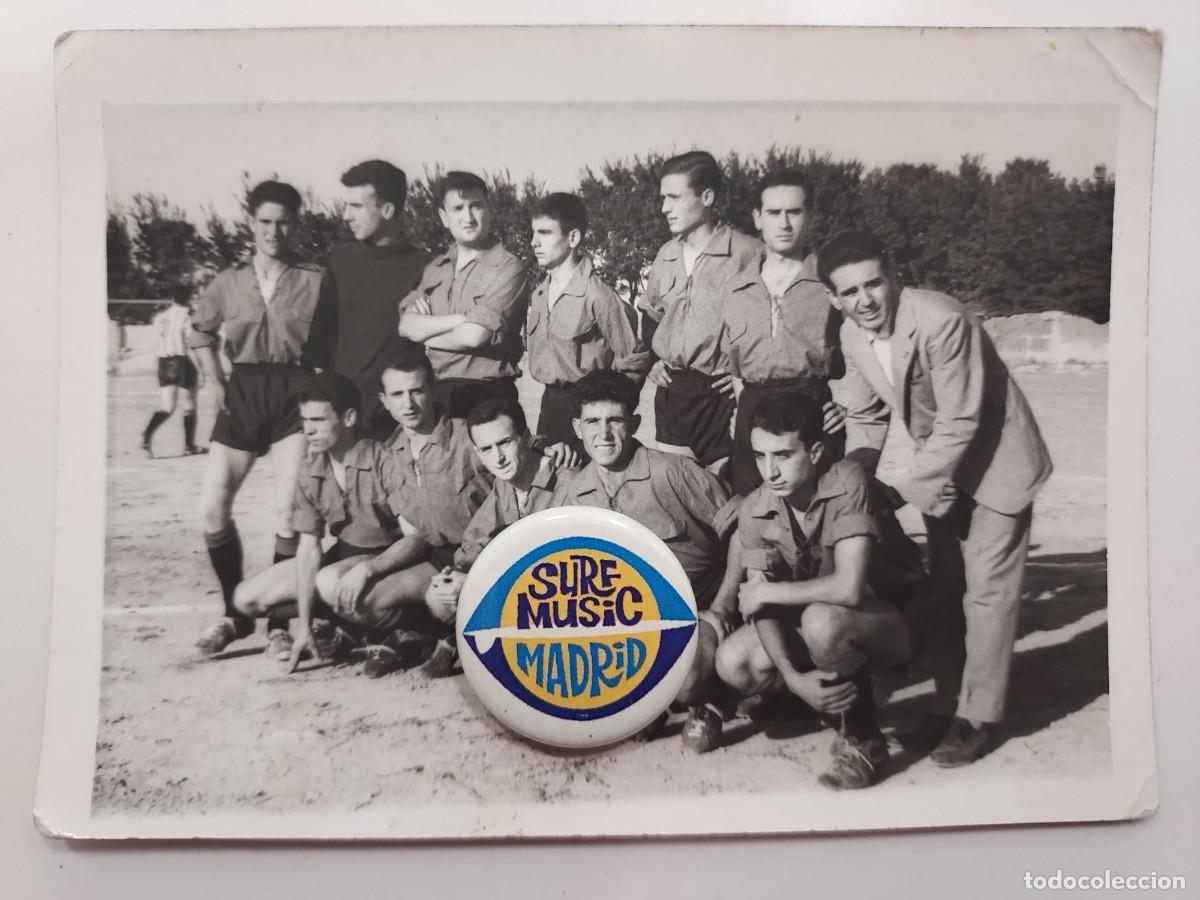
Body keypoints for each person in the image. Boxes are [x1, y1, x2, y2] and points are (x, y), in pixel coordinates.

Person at [819, 230, 1053, 767]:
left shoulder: (941, 318)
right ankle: (951, 705)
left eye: (874, 284)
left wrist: (898, 493)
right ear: (836, 300)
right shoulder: (854, 337)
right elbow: (867, 417)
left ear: (893, 276)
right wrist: (858, 480)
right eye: (850, 293)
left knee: (987, 595)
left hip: (998, 466)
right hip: (943, 470)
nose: (866, 301)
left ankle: (978, 718)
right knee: (946, 588)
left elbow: (960, 420)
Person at [711, 395, 928, 787]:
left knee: (821, 621)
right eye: (760, 456)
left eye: (783, 455)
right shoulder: (756, 507)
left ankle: (866, 739)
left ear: (815, 451)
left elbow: (849, 588)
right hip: (823, 615)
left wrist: (768, 594)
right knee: (733, 662)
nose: (770, 471)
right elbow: (760, 607)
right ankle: (814, 697)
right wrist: (793, 675)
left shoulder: (848, 480)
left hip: (895, 620)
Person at [189, 180, 337, 656]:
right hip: (243, 393)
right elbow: (200, 334)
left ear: (296, 224)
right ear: (251, 224)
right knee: (212, 509)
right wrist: (214, 383)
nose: (274, 231)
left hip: (295, 394)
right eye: (265, 221)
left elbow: (332, 341)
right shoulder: (226, 281)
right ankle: (235, 616)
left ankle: (277, 620)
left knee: (287, 514)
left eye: (284, 222)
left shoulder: (315, 278)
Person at [551, 369, 732, 751]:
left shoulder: (672, 471)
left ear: (634, 423)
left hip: (696, 607)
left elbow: (741, 533)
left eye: (615, 420)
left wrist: (722, 606)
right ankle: (651, 700)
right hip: (635, 615)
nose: (604, 434)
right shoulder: (575, 491)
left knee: (685, 683)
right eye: (593, 422)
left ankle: (711, 697)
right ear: (577, 427)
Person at [228, 371, 431, 670]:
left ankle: (415, 628)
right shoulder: (311, 470)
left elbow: (416, 539)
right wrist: (304, 628)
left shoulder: (385, 459)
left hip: (394, 561)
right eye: (305, 421)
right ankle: (344, 622)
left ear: (348, 418)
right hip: (345, 560)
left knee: (328, 582)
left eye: (319, 420)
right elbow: (309, 549)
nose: (308, 430)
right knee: (246, 598)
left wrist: (368, 569)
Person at [719, 169, 846, 495]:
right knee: (751, 507)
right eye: (774, 213)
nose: (785, 223)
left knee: (822, 505)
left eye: (794, 212)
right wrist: (741, 410)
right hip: (754, 409)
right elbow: (735, 364)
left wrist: (849, 408)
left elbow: (865, 348)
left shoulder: (832, 282)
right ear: (758, 218)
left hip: (811, 406)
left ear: (810, 216)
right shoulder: (736, 287)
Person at [638, 150, 761, 473]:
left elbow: (771, 324)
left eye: (675, 197)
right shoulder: (665, 255)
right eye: (663, 198)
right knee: (677, 493)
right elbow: (651, 314)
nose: (665, 208)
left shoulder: (747, 253)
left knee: (726, 495)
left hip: (721, 396)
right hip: (672, 394)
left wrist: (741, 370)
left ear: (707, 197)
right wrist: (654, 363)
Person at [422, 396, 570, 632]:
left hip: (564, 594)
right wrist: (460, 571)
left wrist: (475, 582)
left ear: (527, 437)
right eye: (487, 449)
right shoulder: (506, 482)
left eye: (505, 443)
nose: (498, 458)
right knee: (438, 597)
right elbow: (476, 539)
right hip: (523, 586)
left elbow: (562, 564)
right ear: (477, 452)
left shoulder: (566, 480)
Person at [397, 171, 529, 418]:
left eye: (476, 206)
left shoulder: (508, 268)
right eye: (458, 208)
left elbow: (474, 336)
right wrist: (458, 320)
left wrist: (425, 335)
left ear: (489, 210)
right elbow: (405, 326)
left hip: (487, 397)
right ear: (444, 217)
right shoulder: (436, 267)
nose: (468, 217)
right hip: (437, 396)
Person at [526, 192, 650, 449]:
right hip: (550, 406)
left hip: (590, 410)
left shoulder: (598, 295)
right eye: (534, 233)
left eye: (545, 233)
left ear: (573, 238)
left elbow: (632, 360)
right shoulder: (539, 294)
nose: (534, 242)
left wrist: (607, 412)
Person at [330, 159, 431, 440]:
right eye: (346, 205)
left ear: (387, 210)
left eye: (357, 206)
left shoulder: (427, 268)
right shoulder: (338, 261)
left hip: (398, 419)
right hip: (342, 416)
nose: (346, 216)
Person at [141, 292, 207, 458]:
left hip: (164, 362)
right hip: (183, 361)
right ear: (188, 298)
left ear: (171, 299)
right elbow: (190, 345)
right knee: (190, 404)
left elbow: (154, 345)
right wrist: (201, 371)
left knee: (167, 406)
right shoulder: (188, 316)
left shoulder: (160, 317)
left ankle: (146, 437)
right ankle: (189, 446)